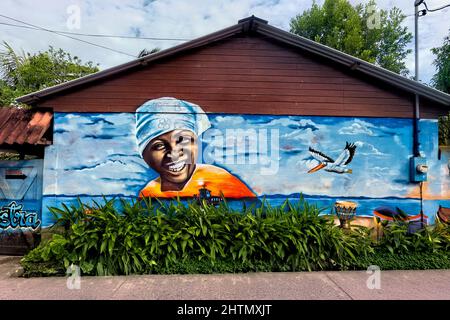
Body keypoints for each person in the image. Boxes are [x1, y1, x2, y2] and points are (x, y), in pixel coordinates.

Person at [135, 97, 256, 199]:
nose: (174, 153)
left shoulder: (222, 182)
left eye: (183, 140)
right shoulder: (148, 194)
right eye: (159, 145)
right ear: (144, 154)